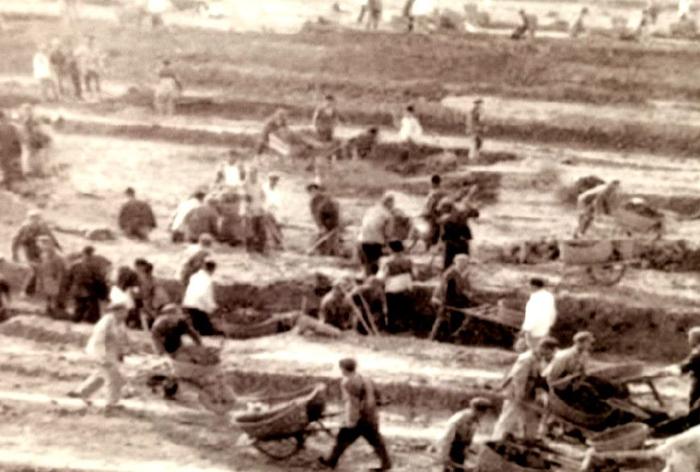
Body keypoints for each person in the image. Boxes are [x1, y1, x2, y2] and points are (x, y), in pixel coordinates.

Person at [319, 358, 392, 471]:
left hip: (359, 417)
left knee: (342, 438)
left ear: (343, 369)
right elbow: (378, 395)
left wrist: (350, 421)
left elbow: (352, 403)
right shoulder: (366, 379)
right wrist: (378, 402)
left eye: (341, 368)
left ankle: (331, 461)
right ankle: (386, 463)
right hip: (371, 415)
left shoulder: (347, 382)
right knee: (376, 441)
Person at [492, 337, 558, 441]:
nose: (551, 354)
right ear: (544, 348)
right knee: (509, 415)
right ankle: (497, 438)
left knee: (530, 417)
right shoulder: (527, 358)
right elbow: (519, 377)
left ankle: (528, 439)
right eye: (550, 351)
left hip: (529, 391)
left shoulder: (538, 358)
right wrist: (520, 394)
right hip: (516, 390)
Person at [68, 302, 130, 411]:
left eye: (125, 311)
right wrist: (102, 356)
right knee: (114, 377)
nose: (126, 314)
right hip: (99, 351)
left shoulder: (120, 323)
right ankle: (112, 403)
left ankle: (82, 392)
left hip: (110, 352)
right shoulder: (106, 322)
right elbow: (98, 339)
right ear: (116, 311)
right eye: (123, 311)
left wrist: (122, 352)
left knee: (101, 375)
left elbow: (122, 338)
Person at [437, 397, 493, 472]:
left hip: (460, 449)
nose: (484, 414)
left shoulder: (474, 420)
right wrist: (445, 455)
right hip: (451, 447)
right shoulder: (460, 419)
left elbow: (469, 438)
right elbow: (447, 438)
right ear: (476, 410)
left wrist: (466, 449)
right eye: (483, 412)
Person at [430, 254, 472, 341]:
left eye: (465, 263)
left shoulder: (459, 273)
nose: (464, 265)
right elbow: (444, 288)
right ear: (456, 262)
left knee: (451, 318)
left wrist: (467, 292)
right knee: (442, 318)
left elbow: (463, 286)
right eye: (462, 263)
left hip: (451, 299)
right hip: (444, 299)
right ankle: (434, 337)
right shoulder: (451, 273)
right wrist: (442, 300)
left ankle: (448, 337)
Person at [64, 246, 109, 323]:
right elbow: (100, 280)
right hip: (88, 291)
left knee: (81, 308)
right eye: (88, 254)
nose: (88, 256)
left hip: (80, 290)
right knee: (91, 310)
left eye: (89, 254)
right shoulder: (92, 267)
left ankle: (80, 317)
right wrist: (103, 293)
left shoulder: (76, 265)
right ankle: (84, 318)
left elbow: (69, 278)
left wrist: (68, 288)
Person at [376, 240, 413, 333]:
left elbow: (381, 276)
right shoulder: (408, 260)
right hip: (406, 284)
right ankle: (405, 325)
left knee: (391, 307)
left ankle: (391, 326)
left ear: (391, 249)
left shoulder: (388, 262)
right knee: (403, 306)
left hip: (393, 286)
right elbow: (413, 274)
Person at [358, 193, 395, 275]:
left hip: (361, 240)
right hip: (375, 243)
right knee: (376, 268)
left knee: (366, 267)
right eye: (392, 203)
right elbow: (388, 234)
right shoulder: (388, 215)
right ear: (389, 203)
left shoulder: (370, 210)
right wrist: (389, 247)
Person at [438, 199, 478, 270]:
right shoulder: (452, 221)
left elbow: (443, 237)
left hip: (455, 245)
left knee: (450, 265)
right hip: (458, 244)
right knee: (458, 265)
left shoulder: (447, 221)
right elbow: (468, 239)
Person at [182, 259, 218, 335]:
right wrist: (213, 307)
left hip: (188, 303)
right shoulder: (208, 280)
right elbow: (205, 296)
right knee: (207, 331)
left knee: (198, 326)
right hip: (198, 306)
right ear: (212, 269)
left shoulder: (194, 276)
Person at [520, 278, 557, 350]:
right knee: (542, 348)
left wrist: (526, 328)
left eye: (529, 286)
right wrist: (550, 325)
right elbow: (553, 312)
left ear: (534, 286)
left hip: (534, 329)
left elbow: (533, 315)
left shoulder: (536, 298)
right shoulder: (549, 296)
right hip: (545, 328)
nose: (529, 288)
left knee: (533, 349)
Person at [35, 235, 66, 317]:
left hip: (53, 278)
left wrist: (58, 281)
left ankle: (54, 310)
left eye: (44, 244)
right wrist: (40, 278)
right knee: (47, 294)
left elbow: (60, 270)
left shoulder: (57, 257)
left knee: (53, 295)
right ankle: (48, 308)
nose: (42, 247)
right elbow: (41, 267)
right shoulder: (43, 255)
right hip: (45, 277)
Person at [17, 103, 51, 177]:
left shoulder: (31, 119)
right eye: (27, 110)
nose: (29, 112)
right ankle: (28, 170)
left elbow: (37, 129)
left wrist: (38, 136)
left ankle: (36, 169)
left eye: (29, 110)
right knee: (28, 153)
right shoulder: (25, 120)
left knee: (36, 153)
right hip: (27, 139)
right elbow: (26, 130)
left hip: (31, 138)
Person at [308, 183, 341, 256]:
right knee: (319, 239)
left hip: (331, 223)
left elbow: (334, 212)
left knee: (332, 242)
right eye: (311, 191)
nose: (313, 193)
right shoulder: (312, 202)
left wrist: (330, 226)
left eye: (314, 190)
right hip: (322, 224)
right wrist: (320, 226)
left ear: (318, 190)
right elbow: (315, 216)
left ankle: (333, 251)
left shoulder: (327, 200)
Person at [242, 167, 267, 254]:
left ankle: (260, 248)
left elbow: (263, 195)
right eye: (250, 174)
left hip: (258, 208)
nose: (252, 175)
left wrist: (263, 204)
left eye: (254, 174)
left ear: (256, 174)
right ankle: (249, 248)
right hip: (249, 209)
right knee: (249, 230)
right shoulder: (245, 183)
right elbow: (243, 196)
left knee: (260, 229)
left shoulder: (260, 183)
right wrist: (246, 203)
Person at [421, 174, 447, 250]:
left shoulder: (434, 193)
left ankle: (428, 248)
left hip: (433, 214)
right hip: (439, 214)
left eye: (431, 183)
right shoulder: (443, 192)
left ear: (433, 183)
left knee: (431, 232)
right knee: (438, 232)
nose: (430, 184)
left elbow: (430, 205)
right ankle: (437, 247)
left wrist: (429, 213)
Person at [0, 111, 23, 190]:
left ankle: (8, 183)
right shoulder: (12, 127)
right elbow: (17, 139)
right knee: (8, 166)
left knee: (5, 166)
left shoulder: (9, 127)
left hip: (5, 149)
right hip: (10, 149)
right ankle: (8, 182)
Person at [262, 173, 283, 249]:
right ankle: (278, 241)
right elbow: (262, 200)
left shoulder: (277, 191)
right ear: (269, 180)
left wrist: (275, 209)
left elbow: (279, 203)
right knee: (268, 218)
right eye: (272, 180)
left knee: (278, 222)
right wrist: (266, 208)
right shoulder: (264, 188)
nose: (274, 182)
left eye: (275, 180)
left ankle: (277, 241)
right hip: (264, 209)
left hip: (274, 210)